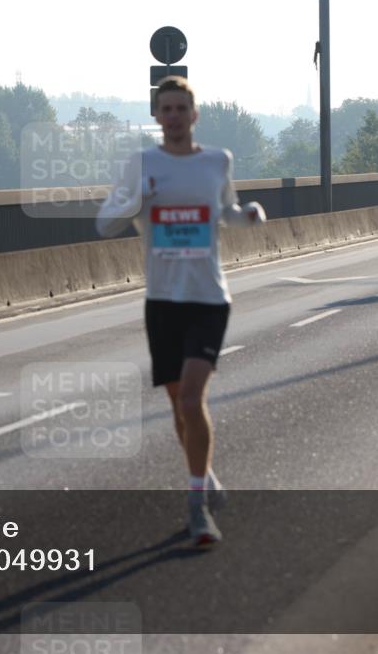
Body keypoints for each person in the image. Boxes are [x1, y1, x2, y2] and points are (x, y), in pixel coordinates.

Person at [96, 76, 265, 547]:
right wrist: (137, 200)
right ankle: (205, 477)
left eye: (180, 108)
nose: (173, 116)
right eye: (165, 109)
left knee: (192, 398)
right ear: (156, 117)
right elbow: (104, 222)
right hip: (163, 301)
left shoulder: (217, 162)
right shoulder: (141, 164)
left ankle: (196, 509)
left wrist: (248, 213)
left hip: (209, 297)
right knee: (177, 403)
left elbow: (226, 212)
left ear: (195, 115)